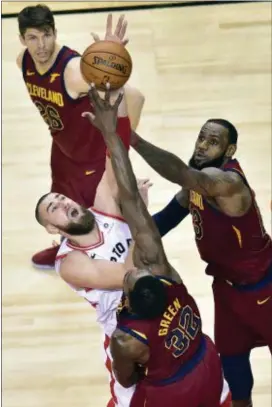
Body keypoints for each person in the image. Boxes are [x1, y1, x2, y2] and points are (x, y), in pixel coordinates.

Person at [84, 84, 232, 407]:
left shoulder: (126, 339)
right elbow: (132, 198)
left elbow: (128, 379)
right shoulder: (166, 274)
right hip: (208, 366)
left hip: (173, 393)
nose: (129, 273)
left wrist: (112, 134)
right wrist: (113, 135)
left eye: (128, 279)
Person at [128, 120, 272, 407]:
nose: (202, 146)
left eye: (213, 141)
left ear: (229, 150)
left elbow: (183, 173)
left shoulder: (228, 184)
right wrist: (126, 236)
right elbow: (165, 220)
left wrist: (132, 139)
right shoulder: (194, 187)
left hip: (264, 288)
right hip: (227, 288)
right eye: (201, 138)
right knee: (232, 358)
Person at [34, 87, 150, 407]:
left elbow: (117, 155)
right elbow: (130, 274)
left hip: (164, 310)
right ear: (52, 228)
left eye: (61, 198)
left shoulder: (103, 206)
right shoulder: (70, 263)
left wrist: (112, 89)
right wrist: (141, 215)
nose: (63, 202)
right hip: (127, 340)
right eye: (54, 208)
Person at [17, 4, 145, 269]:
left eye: (46, 35)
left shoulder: (74, 71)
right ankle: (65, 247)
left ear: (55, 32)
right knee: (60, 210)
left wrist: (121, 149)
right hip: (63, 147)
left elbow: (134, 97)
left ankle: (111, 264)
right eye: (33, 37)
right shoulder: (24, 61)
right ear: (22, 39)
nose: (41, 45)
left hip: (92, 155)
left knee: (94, 216)